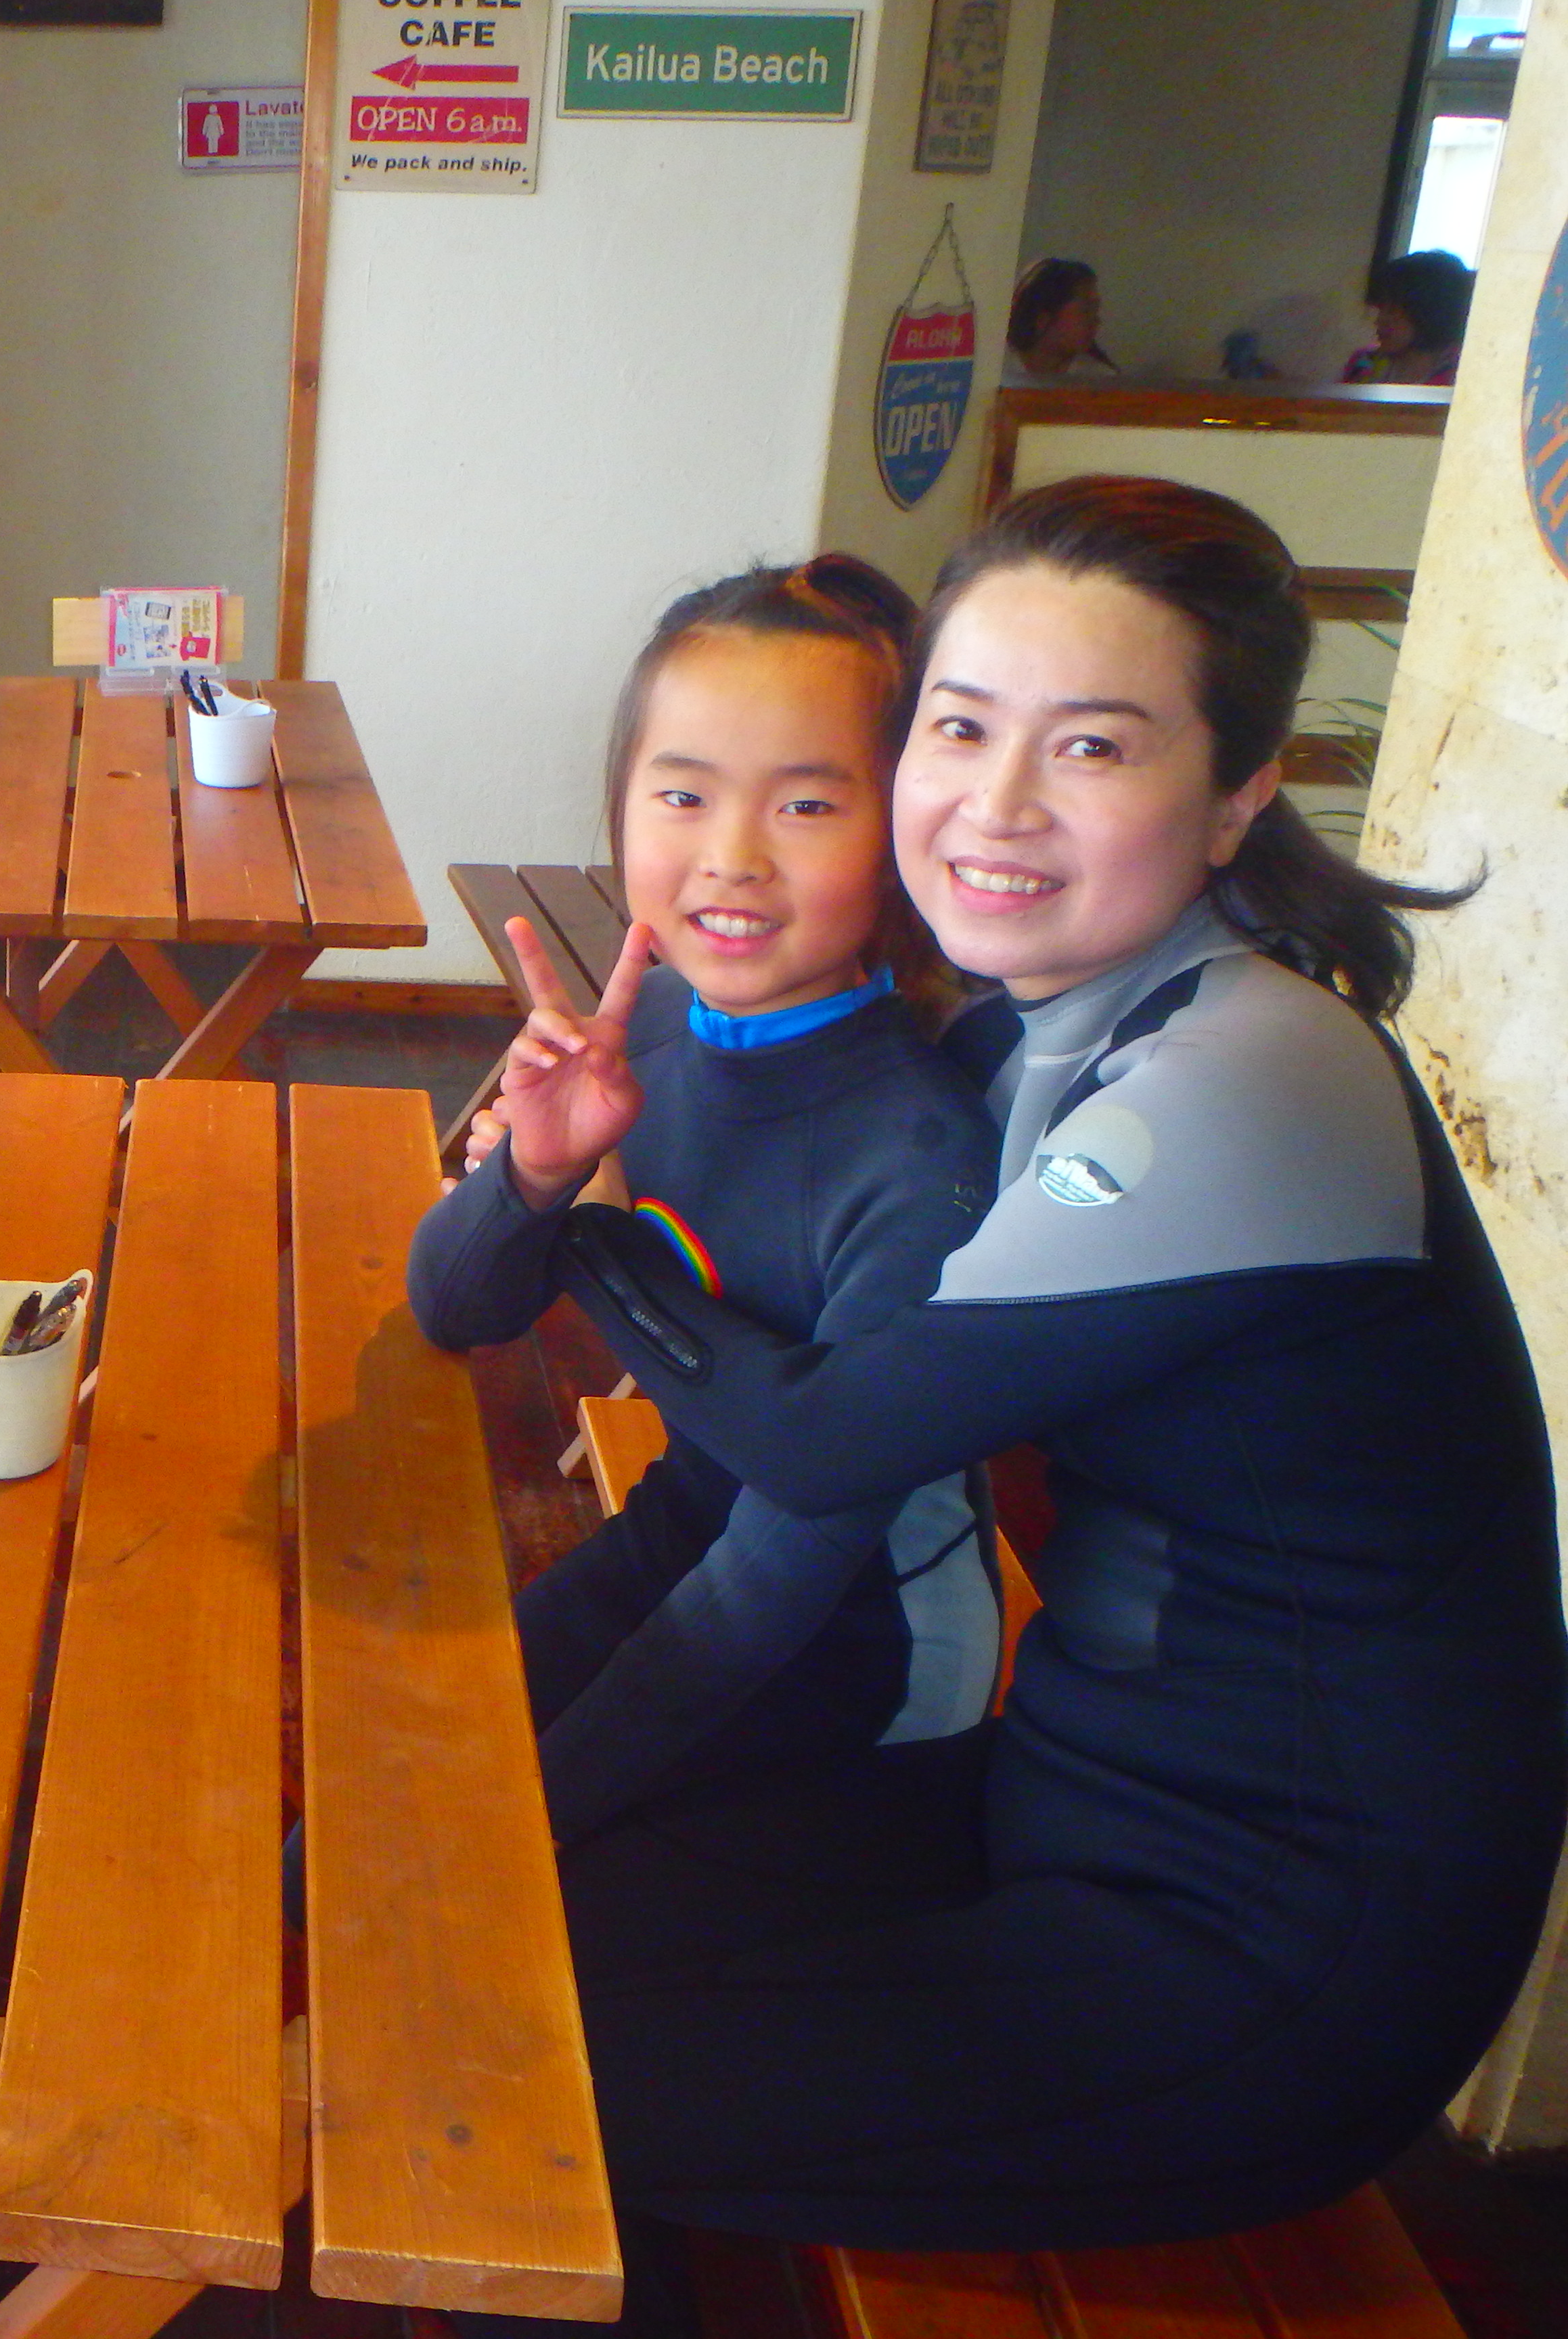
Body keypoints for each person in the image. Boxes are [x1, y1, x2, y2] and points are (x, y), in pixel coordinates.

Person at [460, 478, 1561, 2327]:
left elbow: (824, 1434)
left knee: (513, 2076)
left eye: (1094, 747)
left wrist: (579, 1218)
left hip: (1275, 1948)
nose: (998, 803)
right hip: (1062, 1791)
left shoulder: (1254, 1070)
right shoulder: (1017, 1019)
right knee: (492, 1942)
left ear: (1237, 795)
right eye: (961, 729)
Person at [411, 558, 1000, 1844]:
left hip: (858, 1660)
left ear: (901, 830)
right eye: (682, 794)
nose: (730, 858)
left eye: (805, 804)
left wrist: (511, 1829)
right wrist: (534, 1173)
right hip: (685, 1528)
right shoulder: (648, 1029)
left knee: (464, 1859)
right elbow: (454, 1311)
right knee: (391, 1774)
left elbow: (779, 1584)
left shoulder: (918, 1162)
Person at [1344, 250, 1473, 386]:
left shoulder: (1464, 374)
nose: (1379, 320)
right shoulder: (1363, 365)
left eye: (1393, 310)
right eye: (1381, 309)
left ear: (1429, 311)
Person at [1006, 259, 1115, 379]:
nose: (1096, 322)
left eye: (1095, 311)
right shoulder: (998, 364)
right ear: (1042, 318)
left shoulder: (1100, 378)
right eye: (1086, 311)